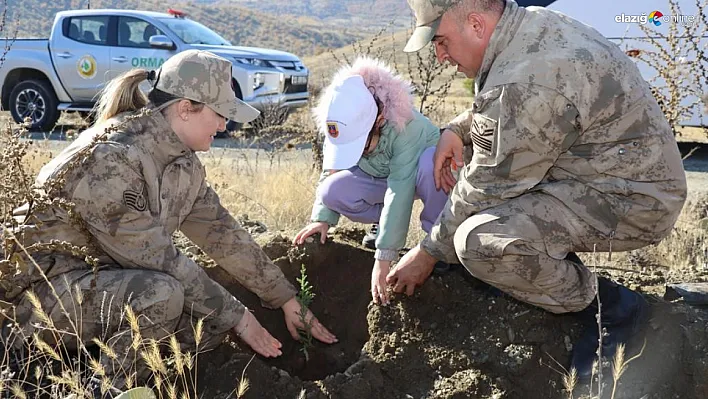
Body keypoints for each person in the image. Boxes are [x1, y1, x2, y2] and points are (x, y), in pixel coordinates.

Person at [388, 0, 687, 380]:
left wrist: (427, 253)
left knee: (479, 240)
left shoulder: (525, 80)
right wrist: (457, 130)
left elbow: (486, 185)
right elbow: (507, 104)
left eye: (442, 40)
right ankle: (551, 266)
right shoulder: (528, 27)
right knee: (487, 225)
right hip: (607, 174)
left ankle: (614, 310)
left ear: (477, 25)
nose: (440, 55)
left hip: (633, 200)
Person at [4, 50, 337, 389]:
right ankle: (103, 389)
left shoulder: (181, 162)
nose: (225, 125)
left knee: (208, 321)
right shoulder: (111, 159)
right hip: (36, 299)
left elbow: (223, 234)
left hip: (99, 284)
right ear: (185, 108)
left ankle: (118, 366)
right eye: (220, 114)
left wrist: (284, 298)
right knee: (163, 295)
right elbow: (160, 260)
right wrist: (241, 318)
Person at [292, 56, 450, 306]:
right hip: (378, 178)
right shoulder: (341, 116)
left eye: (361, 144)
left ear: (378, 120)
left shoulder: (408, 127)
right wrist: (322, 219)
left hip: (418, 175)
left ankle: (436, 243)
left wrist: (383, 258)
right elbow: (331, 170)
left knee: (433, 164)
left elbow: (400, 190)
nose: (359, 151)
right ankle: (381, 224)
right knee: (330, 192)